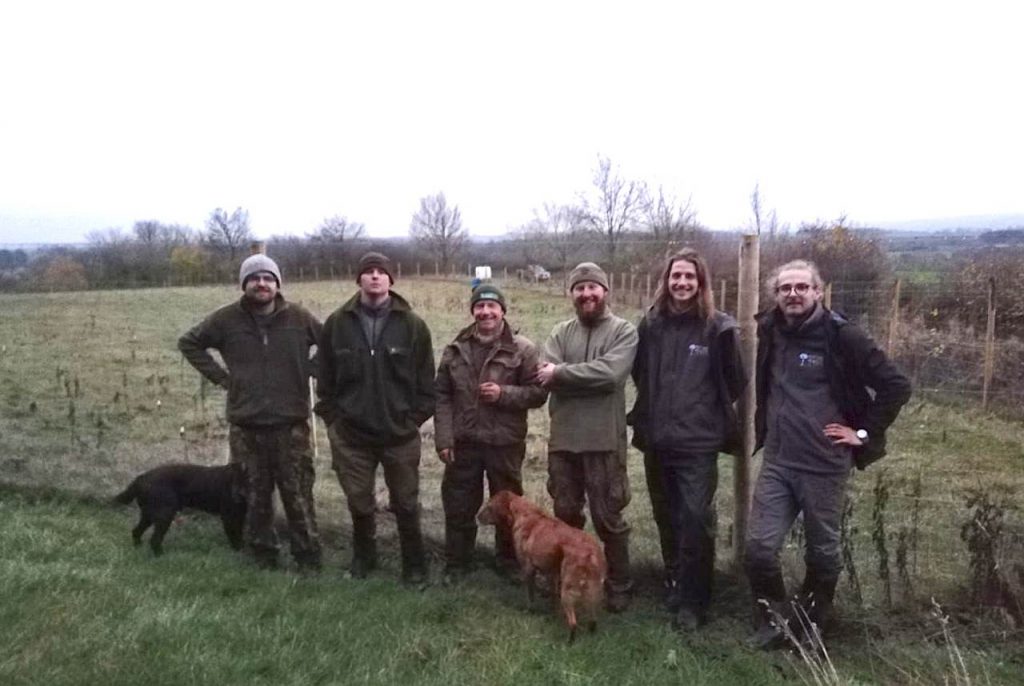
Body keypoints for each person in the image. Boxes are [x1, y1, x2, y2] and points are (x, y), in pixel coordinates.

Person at [745, 259, 911, 649]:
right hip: (779, 462)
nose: (793, 294)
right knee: (758, 549)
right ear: (776, 295)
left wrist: (864, 433)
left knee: (822, 551)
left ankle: (813, 621)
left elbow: (896, 385)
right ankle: (775, 619)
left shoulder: (843, 336)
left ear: (818, 292)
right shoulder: (770, 329)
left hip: (824, 465)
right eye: (785, 288)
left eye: (802, 287)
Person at [178, 253, 322, 571]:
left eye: (268, 278)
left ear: (277, 284)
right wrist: (221, 378)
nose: (261, 283)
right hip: (246, 426)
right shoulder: (225, 320)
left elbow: (331, 343)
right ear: (244, 284)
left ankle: (308, 556)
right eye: (254, 278)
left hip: (291, 425)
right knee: (254, 495)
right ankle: (263, 554)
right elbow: (189, 343)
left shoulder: (299, 317)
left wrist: (310, 370)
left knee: (298, 494)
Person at [629, 249, 745, 631]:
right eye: (675, 276)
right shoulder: (651, 324)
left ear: (701, 283)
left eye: (689, 278)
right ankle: (675, 581)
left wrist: (700, 412)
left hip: (697, 444)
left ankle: (695, 601)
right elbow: (640, 374)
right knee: (666, 516)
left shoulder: (718, 328)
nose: (681, 283)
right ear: (667, 281)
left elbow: (735, 381)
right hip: (657, 439)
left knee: (695, 518)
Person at [315, 251, 435, 586]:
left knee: (406, 503)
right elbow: (324, 379)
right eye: (367, 272)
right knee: (359, 501)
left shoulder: (413, 326)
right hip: (352, 436)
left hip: (399, 435)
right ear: (358, 280)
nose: (374, 277)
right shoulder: (337, 324)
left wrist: (411, 421)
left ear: (391, 280)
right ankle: (363, 559)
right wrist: (334, 421)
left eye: (381, 272)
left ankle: (414, 566)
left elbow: (427, 384)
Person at [536, 262, 638, 612]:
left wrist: (563, 374)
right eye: (579, 288)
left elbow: (611, 374)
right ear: (572, 294)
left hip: (604, 442)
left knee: (608, 518)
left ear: (605, 291)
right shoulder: (561, 332)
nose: (586, 293)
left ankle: (620, 583)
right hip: (563, 441)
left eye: (593, 287)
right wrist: (574, 378)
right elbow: (544, 374)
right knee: (565, 516)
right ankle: (567, 579)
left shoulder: (624, 331)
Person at [434, 283, 548, 583]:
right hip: (465, 442)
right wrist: (444, 438)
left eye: (492, 307)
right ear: (473, 311)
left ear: (502, 311)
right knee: (459, 503)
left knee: (509, 509)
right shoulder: (455, 349)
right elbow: (442, 395)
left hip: (505, 443)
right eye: (479, 307)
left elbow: (538, 394)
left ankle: (509, 562)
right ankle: (458, 563)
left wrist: (503, 394)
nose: (485, 312)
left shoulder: (523, 349)